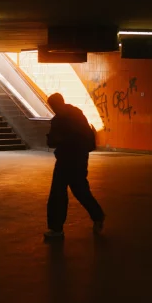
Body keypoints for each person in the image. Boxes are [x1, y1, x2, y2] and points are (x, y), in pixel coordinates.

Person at [44, 93, 105, 238]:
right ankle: (97, 216)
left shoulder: (59, 120)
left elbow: (53, 141)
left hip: (66, 160)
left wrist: (58, 139)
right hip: (78, 159)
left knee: (58, 193)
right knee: (80, 191)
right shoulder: (77, 114)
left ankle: (56, 229)